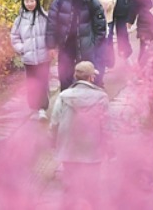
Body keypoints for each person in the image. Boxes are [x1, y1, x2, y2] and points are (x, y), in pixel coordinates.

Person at [49, 61, 110, 209]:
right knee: (92, 190)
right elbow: (107, 127)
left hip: (69, 149)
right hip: (93, 150)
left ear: (75, 77)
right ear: (91, 78)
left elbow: (54, 123)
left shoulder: (63, 96)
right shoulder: (101, 97)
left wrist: (53, 141)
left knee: (70, 188)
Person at [46, 0, 107, 91]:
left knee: (85, 78)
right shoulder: (60, 0)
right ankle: (67, 102)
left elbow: (100, 25)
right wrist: (51, 45)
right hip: (66, 46)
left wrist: (94, 43)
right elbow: (51, 23)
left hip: (85, 46)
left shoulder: (91, 0)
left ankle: (86, 103)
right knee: (65, 77)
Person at [10, 0, 50, 121]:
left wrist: (50, 47)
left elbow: (51, 34)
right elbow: (14, 37)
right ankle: (34, 107)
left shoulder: (44, 16)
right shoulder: (19, 20)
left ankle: (42, 109)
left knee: (43, 83)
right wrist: (22, 48)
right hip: (29, 59)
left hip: (44, 57)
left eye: (32, 1)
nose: (29, 3)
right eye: (26, 1)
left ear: (37, 1)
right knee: (32, 83)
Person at [86, 0, 117, 86]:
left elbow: (110, 4)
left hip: (105, 23)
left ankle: (98, 80)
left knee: (101, 52)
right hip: (87, 22)